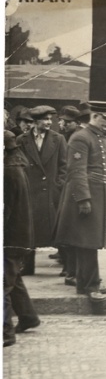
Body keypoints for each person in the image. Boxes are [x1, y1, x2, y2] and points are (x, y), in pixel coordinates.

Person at [53, 101, 106, 304]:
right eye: (105, 119)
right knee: (87, 242)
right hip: (88, 196)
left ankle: (84, 282)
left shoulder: (101, 137)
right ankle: (91, 285)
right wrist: (83, 199)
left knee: (89, 241)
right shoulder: (81, 137)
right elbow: (76, 170)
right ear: (95, 116)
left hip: (100, 194)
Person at [17, 105, 67, 276]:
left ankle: (68, 267)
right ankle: (27, 266)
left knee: (58, 231)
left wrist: (59, 185)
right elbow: (18, 166)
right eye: (45, 119)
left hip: (51, 193)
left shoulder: (58, 139)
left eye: (50, 119)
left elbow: (64, 166)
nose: (48, 122)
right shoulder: (22, 140)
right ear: (36, 122)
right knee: (28, 231)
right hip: (30, 193)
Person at [4, 131, 41, 347]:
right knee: (13, 279)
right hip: (21, 235)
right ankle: (28, 317)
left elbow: (6, 209)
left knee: (3, 285)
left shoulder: (8, 172)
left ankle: (6, 333)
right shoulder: (17, 167)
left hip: (10, 236)